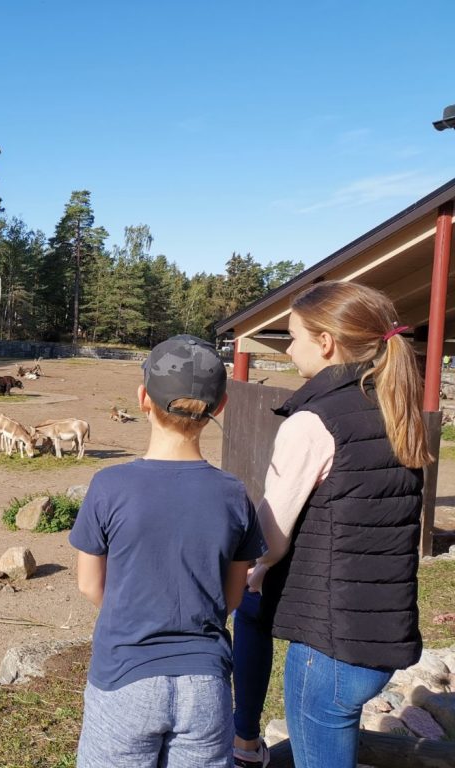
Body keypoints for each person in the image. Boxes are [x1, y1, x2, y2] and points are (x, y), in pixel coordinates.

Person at [236, 281, 431, 768]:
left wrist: (246, 563)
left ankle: (244, 742)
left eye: (294, 336)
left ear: (325, 342)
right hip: (382, 632)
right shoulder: (393, 408)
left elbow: (270, 539)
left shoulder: (313, 421)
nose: (290, 346)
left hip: (329, 644)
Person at [70, 335, 265, 767]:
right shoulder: (234, 494)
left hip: (124, 677)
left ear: (143, 399)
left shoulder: (109, 486)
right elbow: (232, 598)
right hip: (207, 687)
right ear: (221, 405)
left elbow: (89, 585)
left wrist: (133, 612)